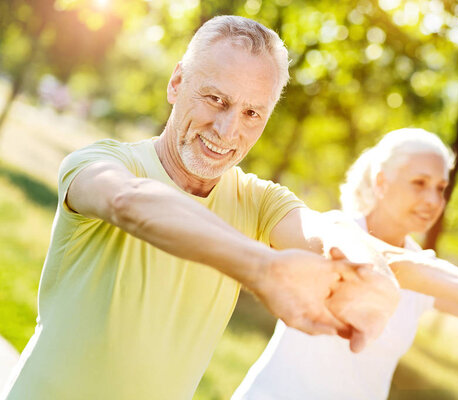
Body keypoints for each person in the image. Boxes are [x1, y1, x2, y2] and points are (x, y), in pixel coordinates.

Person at [1, 16, 402, 400]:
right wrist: (263, 269)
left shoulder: (258, 202)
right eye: (215, 99)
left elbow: (324, 230)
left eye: (251, 113)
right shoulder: (100, 163)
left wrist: (370, 274)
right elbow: (129, 201)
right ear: (176, 83)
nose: (228, 131)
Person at [232, 128, 458, 400]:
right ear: (382, 182)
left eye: (441, 188)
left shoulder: (430, 273)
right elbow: (385, 266)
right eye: (419, 183)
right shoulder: (334, 233)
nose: (432, 199)